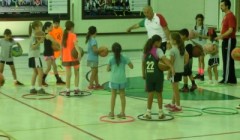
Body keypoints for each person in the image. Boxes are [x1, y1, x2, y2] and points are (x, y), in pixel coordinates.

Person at [142, 34, 174, 119]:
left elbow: (143, 63)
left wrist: (143, 74)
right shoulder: (158, 50)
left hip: (149, 75)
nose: (161, 43)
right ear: (156, 42)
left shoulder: (145, 51)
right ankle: (160, 112)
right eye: (160, 42)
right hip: (157, 75)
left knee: (150, 94)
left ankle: (148, 112)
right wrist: (171, 66)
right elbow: (164, 60)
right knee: (159, 94)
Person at [107, 42, 133, 119]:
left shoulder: (110, 59)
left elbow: (107, 69)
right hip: (122, 79)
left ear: (112, 50)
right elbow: (131, 66)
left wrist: (111, 68)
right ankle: (122, 113)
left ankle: (112, 113)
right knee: (122, 96)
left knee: (113, 96)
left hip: (114, 79)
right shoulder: (125, 57)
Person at [165, 32, 188, 112]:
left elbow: (171, 63)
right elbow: (186, 58)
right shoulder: (182, 49)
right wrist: (183, 63)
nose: (169, 40)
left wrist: (168, 73)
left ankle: (178, 106)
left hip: (174, 72)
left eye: (170, 39)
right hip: (180, 71)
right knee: (175, 89)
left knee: (175, 90)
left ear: (174, 41)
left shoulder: (172, 50)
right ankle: (172, 104)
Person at [215, 0, 237, 84]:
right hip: (225, 40)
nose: (220, 7)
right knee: (226, 60)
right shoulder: (225, 16)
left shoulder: (230, 16)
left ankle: (226, 78)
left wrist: (221, 36)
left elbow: (231, 30)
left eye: (222, 5)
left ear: (227, 6)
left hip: (229, 40)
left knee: (228, 60)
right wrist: (219, 36)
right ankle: (232, 79)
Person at [28, 20, 49, 94]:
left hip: (31, 56)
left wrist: (42, 38)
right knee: (40, 72)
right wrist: (40, 41)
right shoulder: (34, 35)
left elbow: (40, 40)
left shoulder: (34, 34)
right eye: (40, 26)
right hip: (35, 56)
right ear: (36, 27)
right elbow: (33, 46)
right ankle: (40, 88)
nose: (41, 28)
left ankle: (32, 88)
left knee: (35, 72)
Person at [42, 22, 65, 86]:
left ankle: (58, 80)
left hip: (50, 52)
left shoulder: (47, 34)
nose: (52, 27)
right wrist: (60, 47)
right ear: (47, 27)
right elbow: (55, 42)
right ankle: (42, 79)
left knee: (54, 66)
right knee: (49, 67)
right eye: (51, 26)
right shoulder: (47, 35)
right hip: (48, 53)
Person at [61, 21, 81, 96]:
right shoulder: (73, 35)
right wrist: (79, 52)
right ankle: (76, 89)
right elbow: (75, 45)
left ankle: (67, 90)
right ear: (72, 27)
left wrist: (61, 56)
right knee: (76, 73)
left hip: (66, 57)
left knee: (68, 75)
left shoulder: (64, 35)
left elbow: (61, 47)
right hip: (74, 57)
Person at [192, 14, 208, 81]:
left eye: (201, 20)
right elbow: (192, 36)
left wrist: (199, 35)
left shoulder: (204, 27)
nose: (200, 21)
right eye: (198, 20)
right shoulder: (194, 27)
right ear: (196, 20)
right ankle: (199, 73)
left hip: (202, 45)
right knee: (198, 60)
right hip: (196, 45)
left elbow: (207, 37)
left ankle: (202, 74)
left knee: (202, 60)